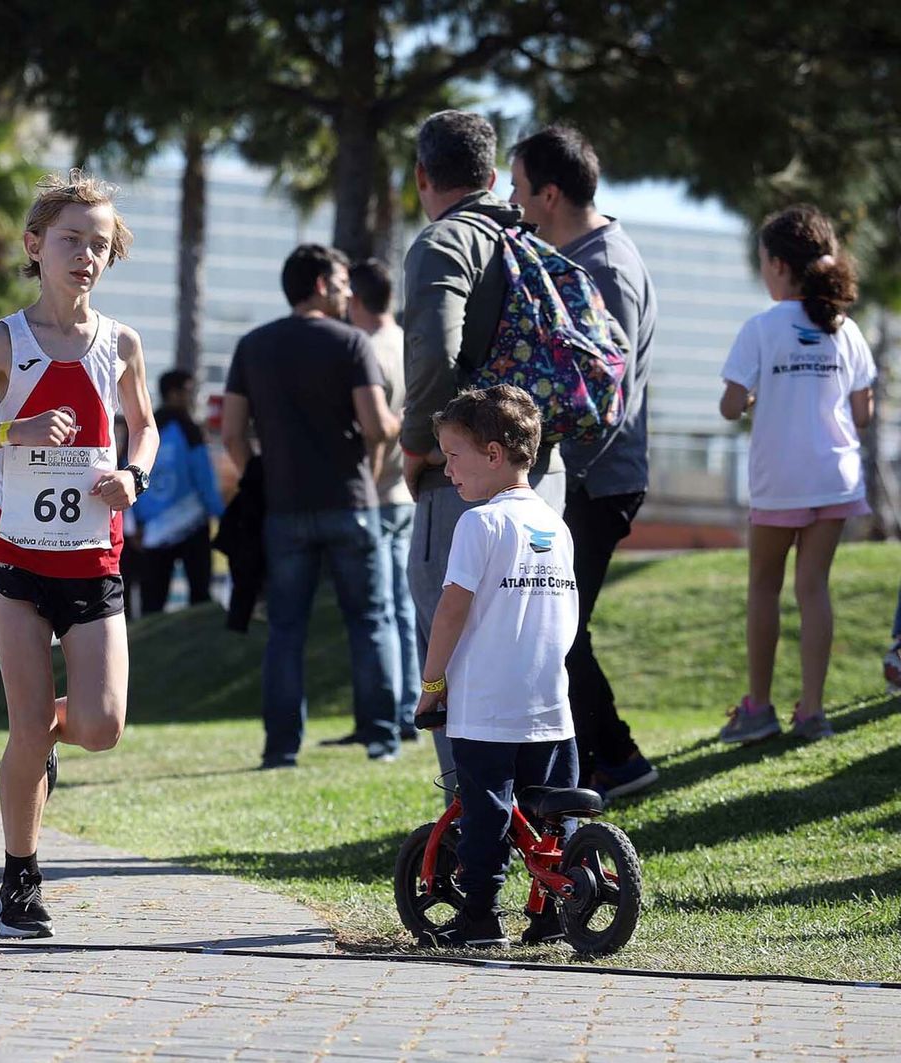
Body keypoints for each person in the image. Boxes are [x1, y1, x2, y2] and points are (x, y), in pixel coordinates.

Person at [0, 170, 158, 938]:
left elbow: (144, 427)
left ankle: (39, 744)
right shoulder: (4, 342)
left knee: (101, 725)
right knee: (26, 725)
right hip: (16, 560)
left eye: (99, 244)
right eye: (70, 240)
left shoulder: (121, 344)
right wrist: (10, 432)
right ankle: (18, 881)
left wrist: (134, 474)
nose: (85, 255)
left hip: (92, 558)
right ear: (34, 246)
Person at [401, 110, 568, 783]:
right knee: (529, 642)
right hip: (540, 474)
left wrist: (422, 444)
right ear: (493, 176)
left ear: (423, 175)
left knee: (454, 643)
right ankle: (532, 805)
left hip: (466, 479)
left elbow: (433, 350)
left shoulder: (446, 241)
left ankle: (473, 808)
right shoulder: (529, 238)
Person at [508, 124, 660, 800]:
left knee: (557, 628)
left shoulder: (604, 266)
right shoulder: (580, 253)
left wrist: (560, 470)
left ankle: (615, 761)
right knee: (559, 625)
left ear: (549, 194)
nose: (513, 204)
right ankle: (611, 758)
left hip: (597, 479)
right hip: (584, 476)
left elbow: (608, 389)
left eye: (518, 189)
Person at [222, 244, 401, 767]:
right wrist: (389, 439)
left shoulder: (253, 345)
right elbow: (376, 426)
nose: (347, 292)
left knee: (285, 631)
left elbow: (232, 433)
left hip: (283, 510)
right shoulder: (351, 342)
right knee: (370, 621)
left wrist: (261, 476)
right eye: (342, 283)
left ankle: (281, 749)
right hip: (351, 502)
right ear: (320, 285)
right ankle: (382, 737)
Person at [414, 384, 578, 949]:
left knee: (486, 817)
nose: (446, 469)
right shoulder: (555, 525)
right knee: (551, 819)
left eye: (452, 455)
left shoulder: (479, 524)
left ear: (492, 453)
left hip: (486, 707)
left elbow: (449, 611)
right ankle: (556, 912)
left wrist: (432, 685)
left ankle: (480, 918)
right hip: (551, 705)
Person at [718, 205, 873, 745]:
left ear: (778, 265)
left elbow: (730, 406)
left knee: (764, 586)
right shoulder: (846, 329)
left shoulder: (760, 328)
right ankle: (812, 712)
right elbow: (863, 414)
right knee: (814, 588)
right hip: (835, 477)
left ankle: (759, 709)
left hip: (781, 479)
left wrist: (756, 397)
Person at [337, 257, 418, 744]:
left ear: (356, 299)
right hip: (408, 490)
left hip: (377, 492)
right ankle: (409, 709)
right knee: (403, 609)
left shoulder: (363, 348)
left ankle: (385, 716)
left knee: (378, 611)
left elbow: (373, 430)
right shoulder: (408, 341)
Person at [131, 369, 223, 613]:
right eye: (189, 391)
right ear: (173, 394)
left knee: (152, 603)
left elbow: (126, 471)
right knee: (200, 599)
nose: (192, 398)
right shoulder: (188, 428)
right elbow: (203, 476)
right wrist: (220, 513)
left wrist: (134, 523)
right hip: (192, 523)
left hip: (152, 530)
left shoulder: (144, 428)